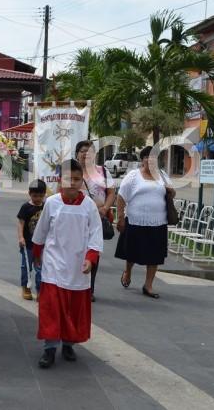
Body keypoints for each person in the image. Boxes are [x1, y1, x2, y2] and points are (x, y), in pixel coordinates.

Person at [31, 159, 103, 369]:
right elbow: (41, 231)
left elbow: (95, 234)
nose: (72, 183)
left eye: (77, 179)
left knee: (73, 307)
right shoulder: (52, 202)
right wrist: (37, 253)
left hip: (78, 265)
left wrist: (91, 258)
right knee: (52, 307)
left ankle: (69, 343)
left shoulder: (89, 205)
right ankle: (50, 347)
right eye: (67, 178)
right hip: (54, 263)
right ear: (60, 180)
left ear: (82, 180)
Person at [114, 146, 174, 299]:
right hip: (135, 220)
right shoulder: (133, 176)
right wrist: (120, 217)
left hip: (158, 222)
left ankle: (148, 285)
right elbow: (121, 197)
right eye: (147, 157)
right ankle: (128, 271)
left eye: (153, 157)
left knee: (154, 255)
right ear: (142, 160)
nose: (150, 160)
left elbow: (171, 193)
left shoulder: (163, 175)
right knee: (132, 252)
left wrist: (171, 192)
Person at [75, 140, 116, 302]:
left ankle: (89, 289)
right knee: (75, 250)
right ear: (77, 154)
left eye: (89, 151)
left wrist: (105, 208)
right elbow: (61, 191)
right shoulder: (71, 171)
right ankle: (74, 285)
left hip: (97, 218)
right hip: (75, 218)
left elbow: (111, 192)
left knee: (93, 251)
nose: (86, 154)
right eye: (82, 150)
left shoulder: (103, 172)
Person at [16, 179, 46, 300]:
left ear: (44, 194)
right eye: (35, 196)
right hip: (28, 244)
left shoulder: (46, 206)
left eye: (40, 196)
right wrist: (21, 237)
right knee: (26, 267)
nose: (38, 198)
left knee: (41, 268)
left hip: (42, 244)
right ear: (29, 193)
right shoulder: (26, 207)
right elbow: (21, 223)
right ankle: (26, 287)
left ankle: (40, 290)